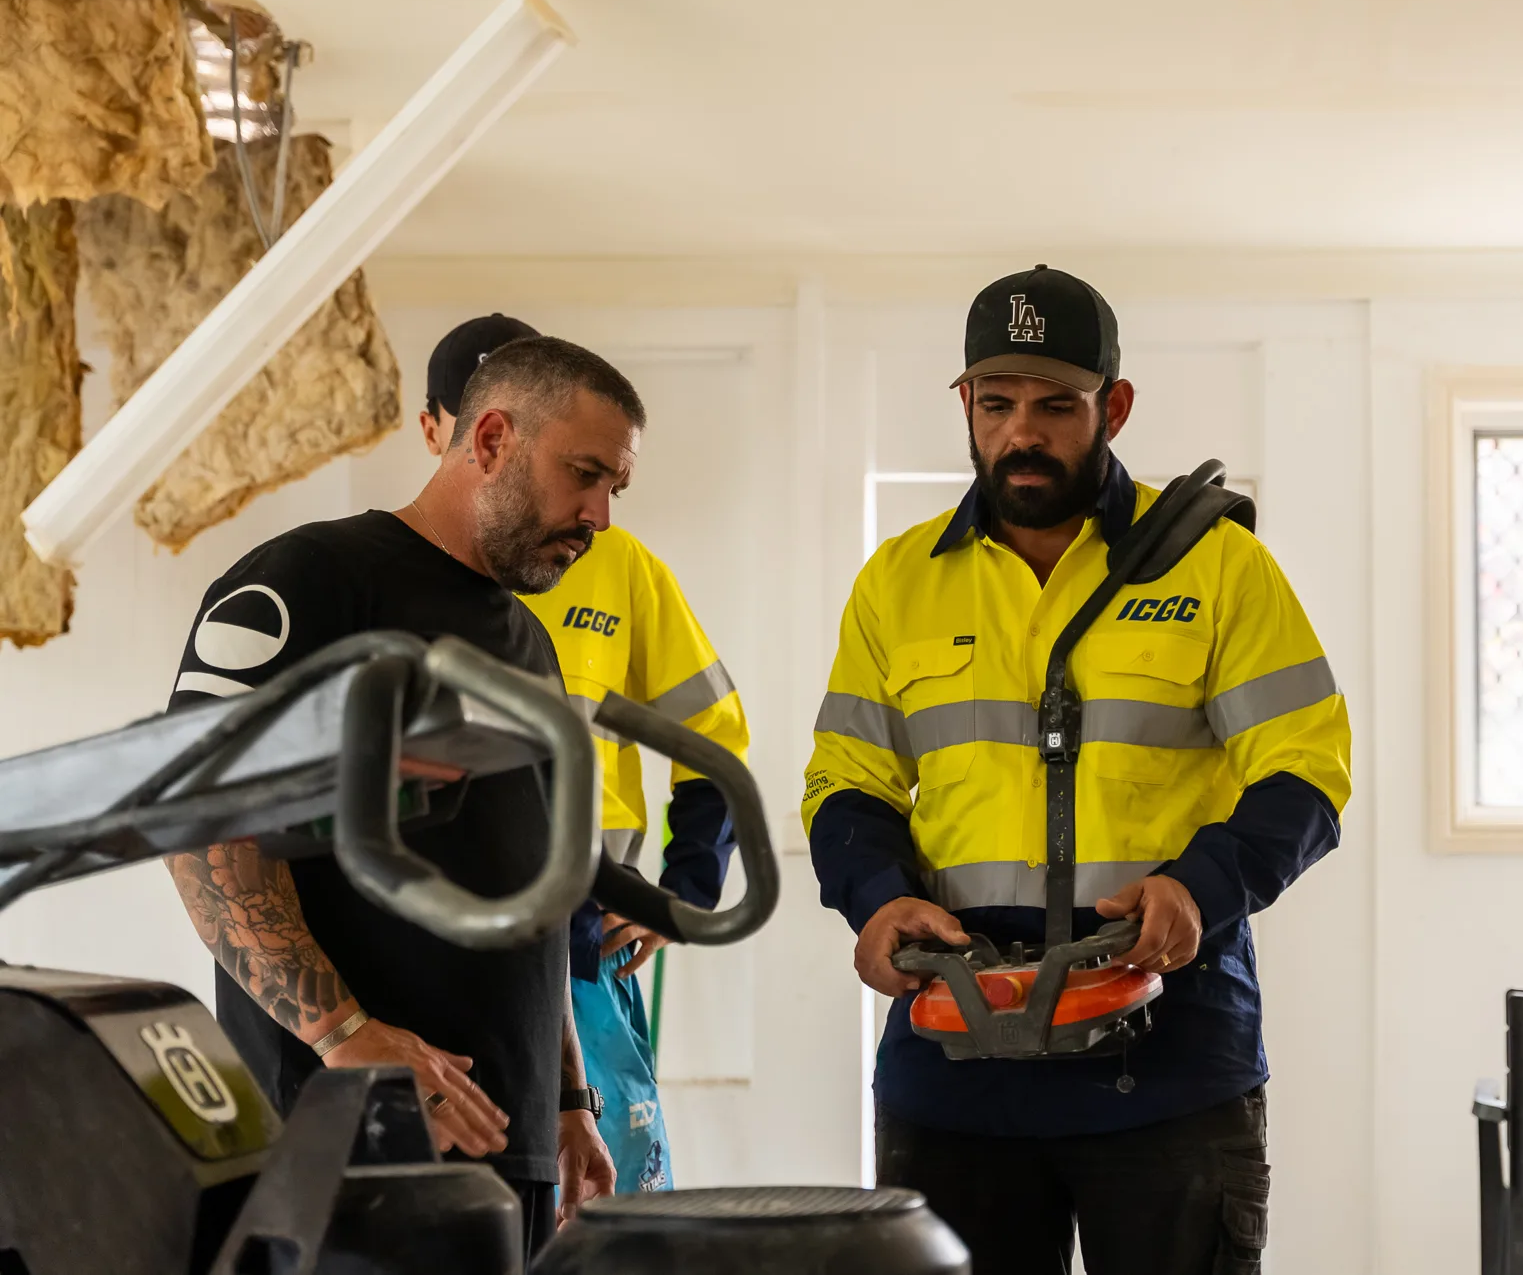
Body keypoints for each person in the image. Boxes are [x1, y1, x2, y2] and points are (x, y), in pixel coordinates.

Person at [802, 265, 1353, 1275]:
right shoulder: (895, 584)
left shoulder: (1220, 567)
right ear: (964, 404)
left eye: (1058, 406)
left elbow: (1307, 770)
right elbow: (849, 782)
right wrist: (875, 899)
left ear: (1115, 406)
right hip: (954, 1052)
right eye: (999, 404)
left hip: (1168, 1053)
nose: (1025, 433)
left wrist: (1200, 885)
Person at [164, 334, 641, 1264]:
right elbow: (200, 830)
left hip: (508, 1149)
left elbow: (534, 900)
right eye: (585, 474)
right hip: (345, 1147)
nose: (601, 515)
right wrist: (348, 1040)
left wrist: (568, 1102)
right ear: (493, 438)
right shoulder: (308, 582)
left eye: (615, 486)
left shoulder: (530, 647)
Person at [420, 314, 752, 1193]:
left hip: (589, 939)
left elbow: (712, 733)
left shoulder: (619, 564)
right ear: (443, 433)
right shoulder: (384, 582)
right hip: (438, 946)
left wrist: (682, 891)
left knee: (610, 1184)